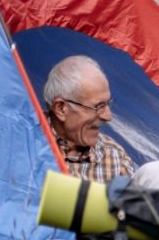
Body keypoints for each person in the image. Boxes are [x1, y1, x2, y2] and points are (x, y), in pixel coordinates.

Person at [43, 55, 134, 183]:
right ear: (61, 108)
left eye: (108, 103)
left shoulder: (115, 157)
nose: (108, 116)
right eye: (98, 106)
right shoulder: (21, 143)